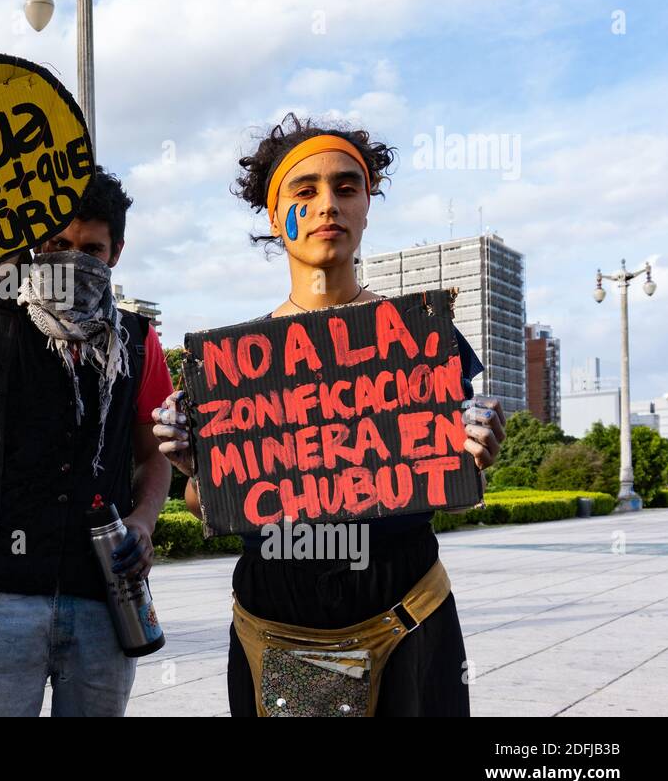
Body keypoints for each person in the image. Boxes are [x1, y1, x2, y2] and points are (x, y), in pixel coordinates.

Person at [151, 115, 505, 717]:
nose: (327, 206)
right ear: (273, 215)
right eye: (304, 191)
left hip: (407, 612)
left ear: (368, 205)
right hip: (282, 628)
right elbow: (210, 506)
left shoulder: (421, 340)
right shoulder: (235, 368)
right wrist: (197, 470)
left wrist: (478, 452)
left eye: (346, 187)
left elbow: (448, 482)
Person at [0, 168, 175, 717]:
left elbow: (154, 453)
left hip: (104, 594)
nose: (72, 260)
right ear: (34, 246)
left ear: (117, 253)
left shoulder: (138, 338)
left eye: (91, 249)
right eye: (57, 244)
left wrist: (145, 521)